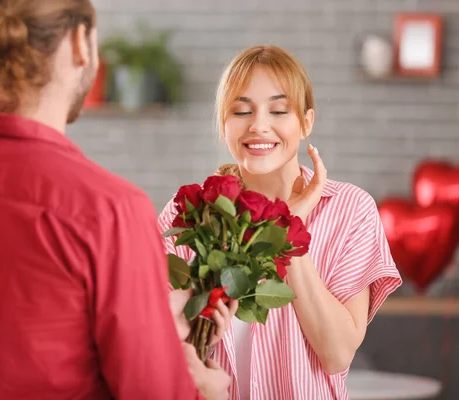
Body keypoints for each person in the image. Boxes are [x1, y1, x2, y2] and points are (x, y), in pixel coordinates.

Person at [0, 0, 231, 399]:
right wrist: (207, 390)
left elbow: (13, 341)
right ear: (81, 42)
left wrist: (156, 324)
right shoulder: (112, 208)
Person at [158, 45, 403, 400]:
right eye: (241, 110)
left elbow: (336, 355)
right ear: (224, 124)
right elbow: (152, 342)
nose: (258, 125)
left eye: (278, 110)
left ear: (306, 122)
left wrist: (291, 228)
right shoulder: (189, 212)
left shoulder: (350, 210)